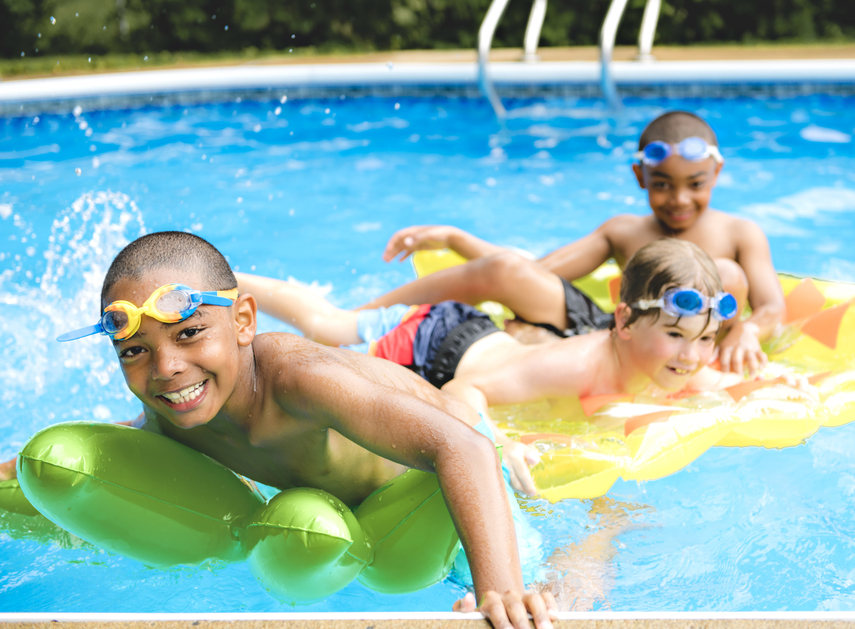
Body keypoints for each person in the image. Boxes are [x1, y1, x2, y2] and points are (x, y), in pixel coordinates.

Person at [0, 231, 556, 629]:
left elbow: (462, 446)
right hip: (346, 512)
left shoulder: (299, 379)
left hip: (449, 474)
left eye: (190, 334)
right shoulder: (174, 408)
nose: (166, 368)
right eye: (136, 351)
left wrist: (500, 589)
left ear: (243, 322)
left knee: (538, 598)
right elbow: (134, 440)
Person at [236, 239, 759, 497]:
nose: (691, 356)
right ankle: (228, 283)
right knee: (327, 326)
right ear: (623, 322)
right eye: (674, 336)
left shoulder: (680, 365)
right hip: (430, 341)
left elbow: (725, 384)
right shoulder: (578, 363)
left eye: (705, 339)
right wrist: (496, 441)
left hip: (474, 337)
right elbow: (468, 387)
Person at [364, 110, 785, 378]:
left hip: (687, 353)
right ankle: (361, 318)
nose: (679, 199)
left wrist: (748, 328)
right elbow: (536, 270)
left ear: (717, 172)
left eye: (695, 184)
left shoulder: (739, 233)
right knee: (506, 272)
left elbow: (772, 307)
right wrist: (456, 239)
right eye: (662, 185)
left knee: (725, 275)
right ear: (641, 178)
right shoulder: (624, 232)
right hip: (618, 335)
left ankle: (542, 343)